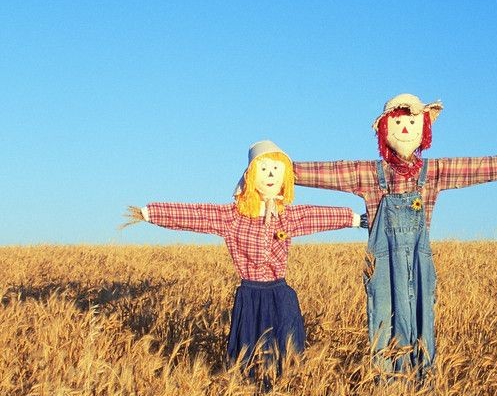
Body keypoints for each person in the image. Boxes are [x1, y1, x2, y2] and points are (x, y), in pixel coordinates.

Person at [293, 94, 497, 374]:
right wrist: (285, 169)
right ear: (385, 130)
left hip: (420, 263)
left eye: (412, 122)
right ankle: (387, 392)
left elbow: (476, 167)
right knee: (383, 321)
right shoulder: (369, 174)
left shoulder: (433, 173)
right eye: (398, 123)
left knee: (422, 321)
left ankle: (421, 386)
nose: (406, 129)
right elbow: (327, 172)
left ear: (424, 131)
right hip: (382, 265)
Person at [123, 140, 363, 375]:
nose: (270, 175)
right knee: (250, 358)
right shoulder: (234, 216)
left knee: (287, 355)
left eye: (276, 169)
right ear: (250, 176)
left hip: (280, 293)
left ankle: (284, 390)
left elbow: (316, 216)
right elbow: (197, 215)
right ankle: (251, 393)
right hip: (250, 295)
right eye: (264, 169)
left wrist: (353, 219)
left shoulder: (286, 216)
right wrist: (150, 213)